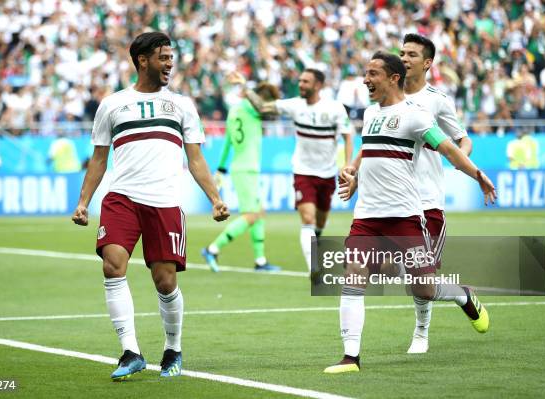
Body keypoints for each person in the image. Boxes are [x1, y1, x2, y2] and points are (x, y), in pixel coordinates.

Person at [324, 51, 496, 374]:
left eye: (373, 73)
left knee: (423, 289)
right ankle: (351, 357)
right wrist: (354, 176)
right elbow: (374, 157)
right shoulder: (371, 114)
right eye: (365, 72)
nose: (365, 79)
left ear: (393, 78)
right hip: (366, 219)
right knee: (353, 279)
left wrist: (477, 175)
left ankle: (462, 295)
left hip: (405, 218)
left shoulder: (416, 116)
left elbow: (449, 149)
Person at [71, 31, 229, 381]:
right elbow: (99, 159)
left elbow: (197, 159)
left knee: (164, 280)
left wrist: (215, 198)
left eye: (171, 57)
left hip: (165, 201)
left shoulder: (182, 104)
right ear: (143, 60)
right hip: (121, 198)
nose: (170, 63)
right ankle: (130, 351)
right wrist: (83, 202)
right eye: (163, 57)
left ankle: (173, 347)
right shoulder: (112, 105)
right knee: (113, 267)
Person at [228, 69, 354, 272]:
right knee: (308, 219)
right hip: (303, 171)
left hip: (327, 173)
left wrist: (347, 164)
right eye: (300, 80)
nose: (301, 84)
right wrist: (244, 85)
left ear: (318, 85)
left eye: (306, 82)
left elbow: (348, 135)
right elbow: (261, 107)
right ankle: (314, 270)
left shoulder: (335, 108)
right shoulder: (294, 104)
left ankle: (315, 247)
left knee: (320, 223)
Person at [400, 34, 473, 353]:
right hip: (395, 201)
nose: (404, 58)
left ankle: (421, 333)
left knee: (422, 280)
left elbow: (461, 139)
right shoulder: (390, 97)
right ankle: (461, 293)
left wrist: (462, 161)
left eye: (411, 54)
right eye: (401, 52)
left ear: (427, 63)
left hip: (428, 200)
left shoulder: (437, 100)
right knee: (410, 280)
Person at [201, 82, 282, 272]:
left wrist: (221, 168)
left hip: (240, 167)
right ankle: (212, 249)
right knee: (251, 215)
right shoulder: (255, 110)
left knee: (259, 212)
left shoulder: (235, 110)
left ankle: (260, 261)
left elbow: (228, 142)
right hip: (247, 169)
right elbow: (269, 111)